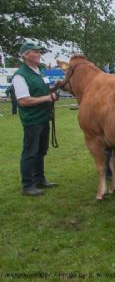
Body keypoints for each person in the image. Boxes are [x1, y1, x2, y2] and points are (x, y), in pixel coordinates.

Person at [12, 42, 59, 196]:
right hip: (32, 120)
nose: (39, 54)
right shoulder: (20, 75)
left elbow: (45, 88)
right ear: (25, 55)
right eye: (35, 52)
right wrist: (47, 98)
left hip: (44, 118)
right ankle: (27, 185)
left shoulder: (41, 72)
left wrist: (55, 88)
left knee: (41, 150)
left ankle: (39, 179)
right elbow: (23, 100)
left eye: (39, 51)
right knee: (30, 152)